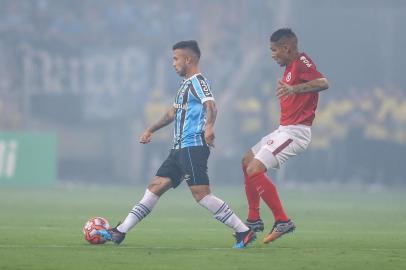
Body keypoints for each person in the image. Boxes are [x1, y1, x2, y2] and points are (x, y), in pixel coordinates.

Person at [100, 40, 256, 249]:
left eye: (176, 59)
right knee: (155, 187)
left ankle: (243, 231)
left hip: (192, 147)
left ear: (188, 59)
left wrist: (209, 127)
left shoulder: (198, 82)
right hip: (179, 149)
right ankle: (120, 231)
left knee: (201, 195)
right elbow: (171, 114)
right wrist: (150, 129)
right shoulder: (184, 85)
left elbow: (212, 106)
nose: (173, 64)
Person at [242, 28, 329, 244]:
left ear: (286, 48)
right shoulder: (290, 66)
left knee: (255, 169)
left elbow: (323, 83)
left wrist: (294, 90)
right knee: (246, 162)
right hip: (284, 129)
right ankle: (253, 218)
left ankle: (282, 220)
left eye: (274, 50)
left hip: (296, 132)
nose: (272, 54)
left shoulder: (301, 61)